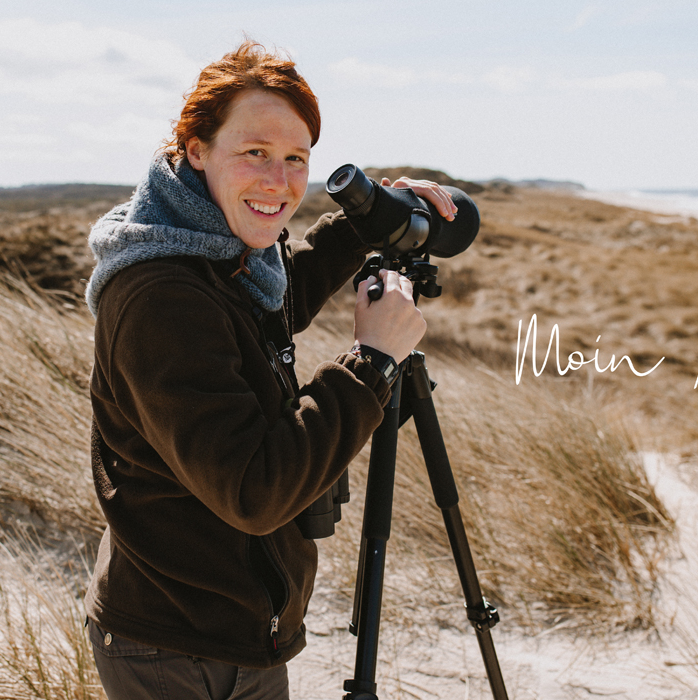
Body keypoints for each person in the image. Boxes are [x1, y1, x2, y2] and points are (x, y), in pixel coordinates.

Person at [83, 39, 457, 700]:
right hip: (176, 646)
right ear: (196, 148)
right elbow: (254, 490)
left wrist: (363, 227)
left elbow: (269, 306)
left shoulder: (211, 249)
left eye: (296, 159)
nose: (279, 181)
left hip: (229, 628)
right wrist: (369, 365)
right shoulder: (162, 295)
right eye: (255, 152)